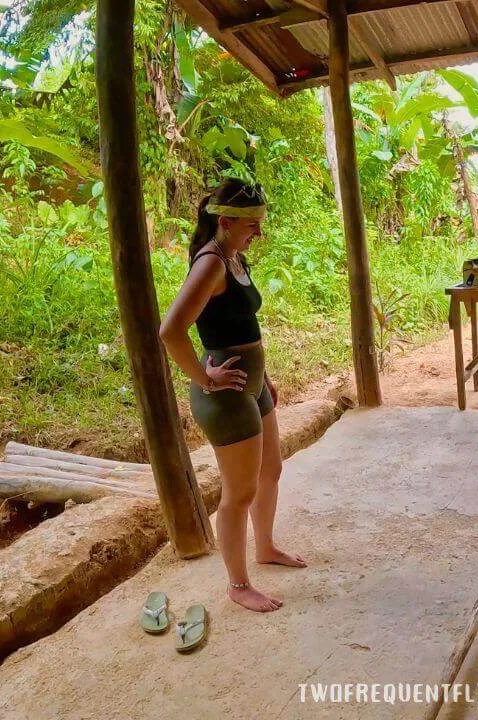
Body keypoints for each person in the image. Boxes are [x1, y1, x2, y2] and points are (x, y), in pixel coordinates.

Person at [159, 179, 306, 614]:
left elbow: (239, 326)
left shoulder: (233, 255)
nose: (258, 233)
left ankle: (265, 547)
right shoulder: (211, 264)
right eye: (252, 225)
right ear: (224, 222)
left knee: (272, 470)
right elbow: (171, 331)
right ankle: (238, 584)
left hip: (252, 384)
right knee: (238, 492)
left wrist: (266, 376)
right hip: (226, 393)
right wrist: (205, 378)